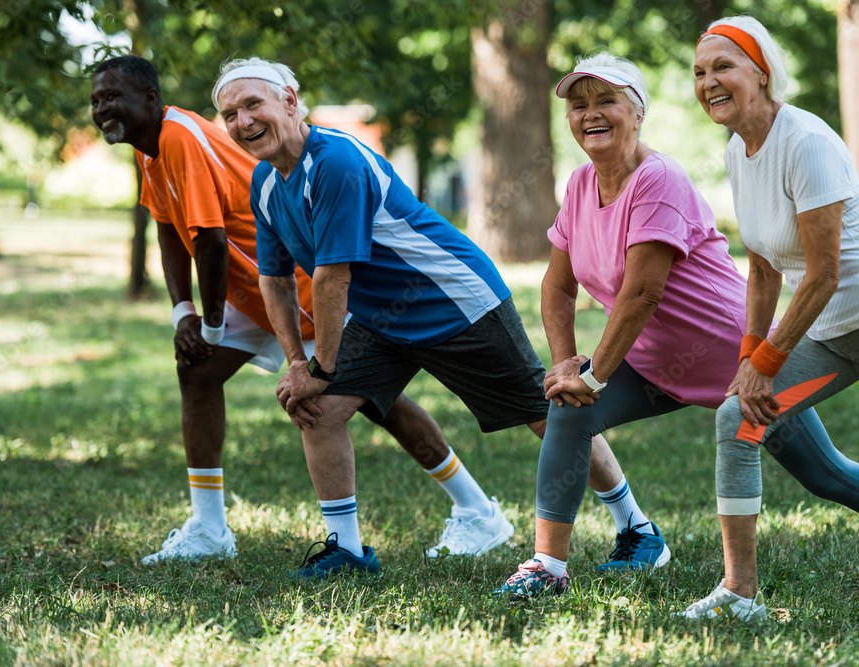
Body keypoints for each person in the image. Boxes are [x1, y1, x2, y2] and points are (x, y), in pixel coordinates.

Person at [489, 53, 859, 605]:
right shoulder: (581, 185)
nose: (591, 115)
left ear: (637, 114)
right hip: (652, 360)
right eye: (579, 106)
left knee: (823, 472)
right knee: (568, 409)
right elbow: (557, 287)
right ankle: (548, 564)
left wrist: (596, 374)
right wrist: (566, 364)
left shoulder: (657, 179)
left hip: (733, 360)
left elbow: (641, 294)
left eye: (606, 101)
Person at [212, 56, 632, 579]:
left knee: (548, 414)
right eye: (229, 114)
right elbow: (273, 279)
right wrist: (298, 365)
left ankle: (635, 528)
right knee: (318, 408)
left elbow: (332, 277)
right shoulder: (267, 183)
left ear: (290, 102)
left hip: (453, 301)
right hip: (380, 319)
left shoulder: (336, 161)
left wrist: (318, 365)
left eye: (253, 104)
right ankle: (346, 550)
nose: (243, 121)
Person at [88, 55, 519, 565]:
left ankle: (476, 510)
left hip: (300, 294)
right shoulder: (149, 152)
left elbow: (209, 240)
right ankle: (209, 527)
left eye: (111, 97)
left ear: (150, 100)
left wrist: (207, 323)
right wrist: (182, 310)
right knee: (199, 372)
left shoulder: (183, 137)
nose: (101, 109)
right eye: (95, 100)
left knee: (375, 404)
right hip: (251, 292)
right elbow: (168, 227)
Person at [681, 15, 859, 619]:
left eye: (723, 67)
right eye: (700, 72)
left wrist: (769, 359)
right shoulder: (738, 149)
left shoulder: (805, 142)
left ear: (761, 72)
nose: (709, 82)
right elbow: (761, 267)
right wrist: (747, 361)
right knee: (738, 420)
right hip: (830, 330)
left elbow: (823, 272)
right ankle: (739, 594)